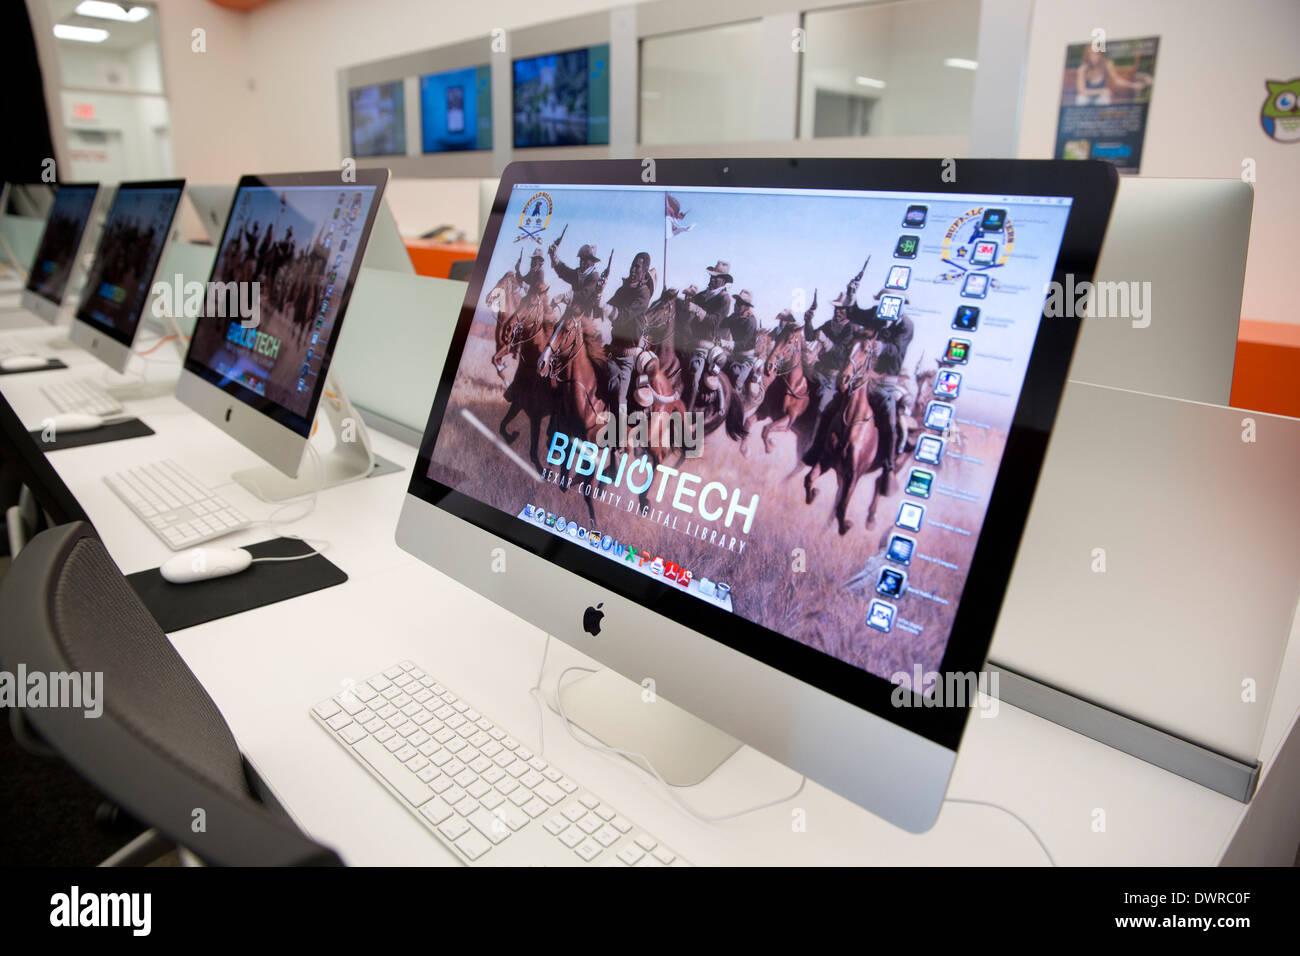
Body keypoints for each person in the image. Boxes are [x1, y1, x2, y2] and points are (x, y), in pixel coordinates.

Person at [605, 252, 656, 424]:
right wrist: (597, 298)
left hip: (627, 358)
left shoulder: (644, 293)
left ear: (645, 271)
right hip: (612, 350)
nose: (633, 269)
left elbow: (623, 316)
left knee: (620, 399)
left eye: (638, 266)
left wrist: (604, 308)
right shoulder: (623, 289)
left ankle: (618, 440)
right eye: (633, 265)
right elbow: (607, 305)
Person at [547, 240, 608, 369]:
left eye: (586, 260)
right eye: (581, 259)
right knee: (556, 332)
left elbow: (584, 293)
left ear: (592, 262)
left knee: (593, 350)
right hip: (572, 315)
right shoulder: (578, 273)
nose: (582, 262)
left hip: (587, 318)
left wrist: (565, 296)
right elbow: (564, 271)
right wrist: (554, 257)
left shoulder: (594, 276)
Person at [1075, 48, 1151, 106]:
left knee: (1104, 101)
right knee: (1081, 100)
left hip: (1100, 97)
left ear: (1101, 54)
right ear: (1087, 55)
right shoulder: (1083, 69)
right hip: (1087, 96)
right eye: (1091, 54)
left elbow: (1117, 80)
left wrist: (1133, 85)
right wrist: (1101, 90)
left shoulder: (1106, 64)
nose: (1094, 57)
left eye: (1096, 54)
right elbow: (1081, 90)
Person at [723, 289, 760, 399]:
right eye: (736, 303)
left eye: (740, 304)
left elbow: (745, 343)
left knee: (737, 380)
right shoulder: (734, 316)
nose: (736, 305)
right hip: (734, 355)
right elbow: (721, 324)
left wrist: (728, 343)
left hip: (746, 358)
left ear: (746, 306)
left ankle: (737, 404)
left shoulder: (751, 321)